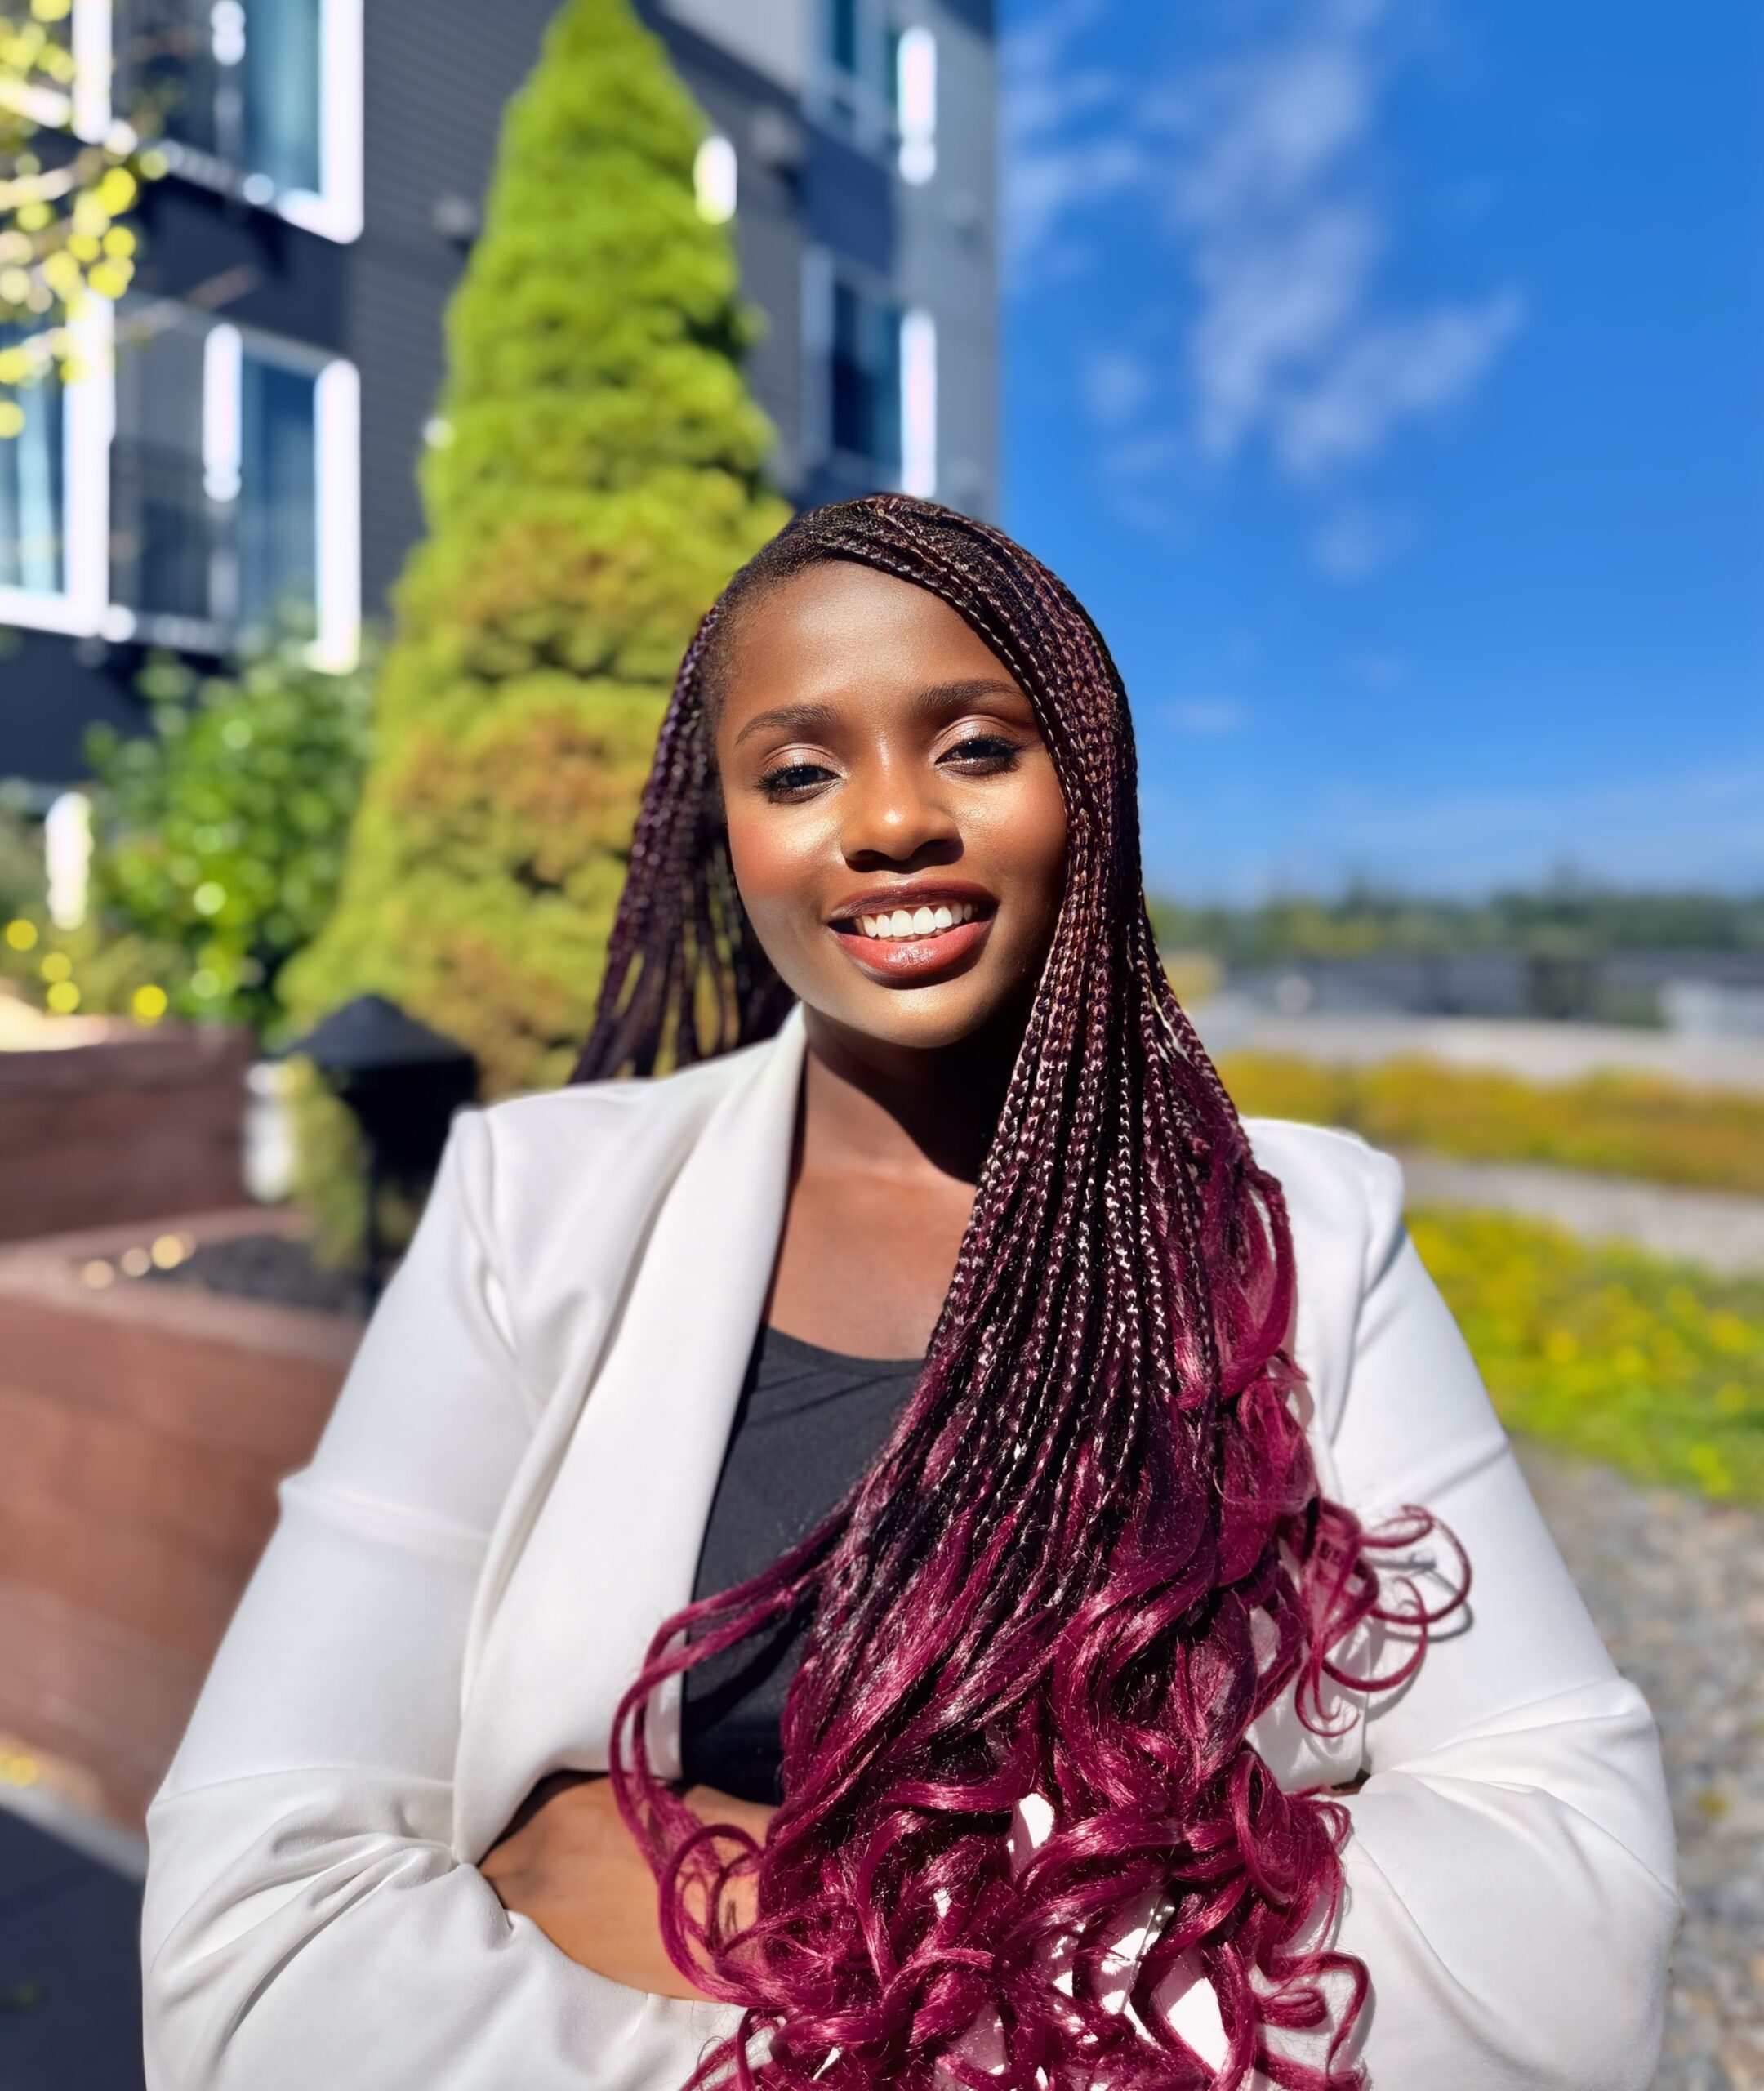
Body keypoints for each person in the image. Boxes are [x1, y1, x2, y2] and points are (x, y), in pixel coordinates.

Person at [140, 497, 1677, 2090]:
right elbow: (253, 1944)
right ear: (719, 826)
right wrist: (1127, 1957)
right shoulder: (531, 1212)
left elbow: (1574, 1909)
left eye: (973, 745)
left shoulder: (1312, 1231)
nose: (888, 822)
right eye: (799, 770)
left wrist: (804, 1920)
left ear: (1086, 781)